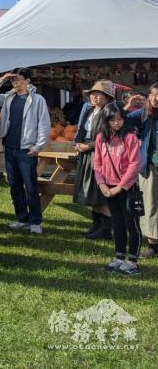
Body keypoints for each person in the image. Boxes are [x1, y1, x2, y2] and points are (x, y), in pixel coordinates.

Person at [0, 68, 51, 234]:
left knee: (30, 186)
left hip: (26, 150)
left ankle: (35, 221)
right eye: (13, 81)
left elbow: (44, 125)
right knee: (14, 186)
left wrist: (38, 147)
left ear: (28, 81)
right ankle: (22, 219)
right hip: (10, 148)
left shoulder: (37, 100)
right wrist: (1, 79)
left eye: (19, 80)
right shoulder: (9, 97)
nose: (15, 83)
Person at [94, 102, 143, 276]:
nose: (116, 123)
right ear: (106, 120)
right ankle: (119, 257)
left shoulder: (130, 137)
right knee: (117, 223)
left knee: (132, 224)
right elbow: (97, 162)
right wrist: (102, 184)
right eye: (112, 120)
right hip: (108, 186)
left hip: (127, 188)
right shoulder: (101, 137)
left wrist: (120, 187)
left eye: (119, 119)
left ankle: (133, 261)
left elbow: (135, 164)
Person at [73, 80, 115, 240]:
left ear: (106, 97)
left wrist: (89, 146)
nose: (95, 97)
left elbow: (109, 135)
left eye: (99, 94)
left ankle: (105, 229)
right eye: (93, 94)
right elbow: (82, 130)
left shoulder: (109, 111)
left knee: (101, 192)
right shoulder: (89, 110)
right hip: (87, 154)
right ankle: (96, 225)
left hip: (102, 155)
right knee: (92, 191)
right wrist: (78, 144)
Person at [127, 83, 158, 259]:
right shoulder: (144, 113)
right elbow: (118, 119)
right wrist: (128, 105)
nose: (156, 98)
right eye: (153, 94)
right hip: (150, 166)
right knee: (151, 203)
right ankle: (153, 243)